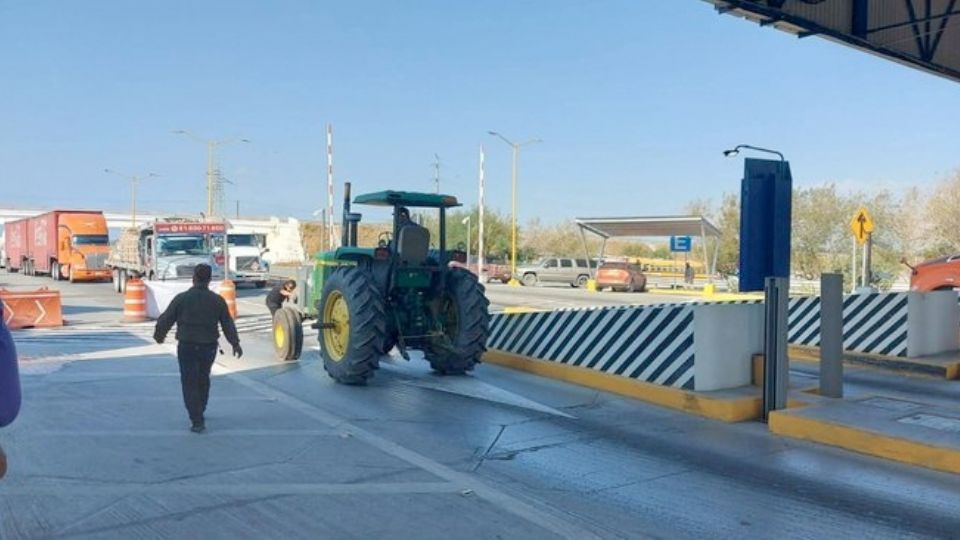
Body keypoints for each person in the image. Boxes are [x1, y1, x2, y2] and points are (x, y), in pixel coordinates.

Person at [154, 264, 242, 433]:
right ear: (209, 280)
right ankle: (200, 408)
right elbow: (227, 324)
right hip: (208, 347)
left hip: (187, 345)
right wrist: (235, 343)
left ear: (193, 278)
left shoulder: (182, 298)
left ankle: (196, 419)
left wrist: (159, 335)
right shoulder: (217, 300)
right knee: (203, 378)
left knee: (189, 382)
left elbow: (166, 318)